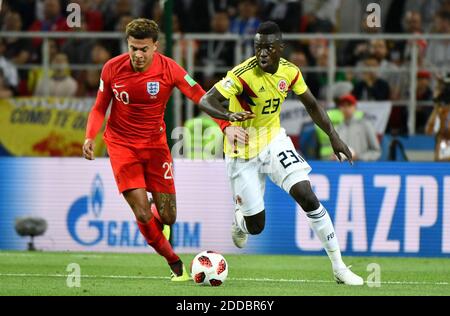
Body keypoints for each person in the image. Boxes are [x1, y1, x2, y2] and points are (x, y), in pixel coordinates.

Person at [82, 18, 252, 281]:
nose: (138, 55)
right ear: (128, 45)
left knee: (169, 217)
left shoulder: (169, 69)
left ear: (155, 46)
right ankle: (174, 263)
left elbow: (199, 95)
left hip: (156, 147)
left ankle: (155, 211)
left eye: (144, 49)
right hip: (121, 145)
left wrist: (225, 124)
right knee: (138, 210)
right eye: (133, 48)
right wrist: (90, 136)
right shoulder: (112, 68)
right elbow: (99, 107)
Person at [199, 21, 364, 285]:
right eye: (258, 48)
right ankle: (240, 220)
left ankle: (339, 268)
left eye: (268, 48)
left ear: (280, 48)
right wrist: (229, 116)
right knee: (256, 226)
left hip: (274, 141)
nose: (262, 53)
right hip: (241, 152)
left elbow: (312, 104)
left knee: (307, 196)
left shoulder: (290, 72)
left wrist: (334, 136)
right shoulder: (242, 74)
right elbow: (206, 100)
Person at [334, 94, 381, 161]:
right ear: (340, 108)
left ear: (355, 107)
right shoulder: (337, 128)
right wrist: (334, 157)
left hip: (362, 169)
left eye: (349, 105)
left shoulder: (365, 125)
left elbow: (376, 152)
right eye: (343, 106)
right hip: (342, 169)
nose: (346, 108)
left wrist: (359, 157)